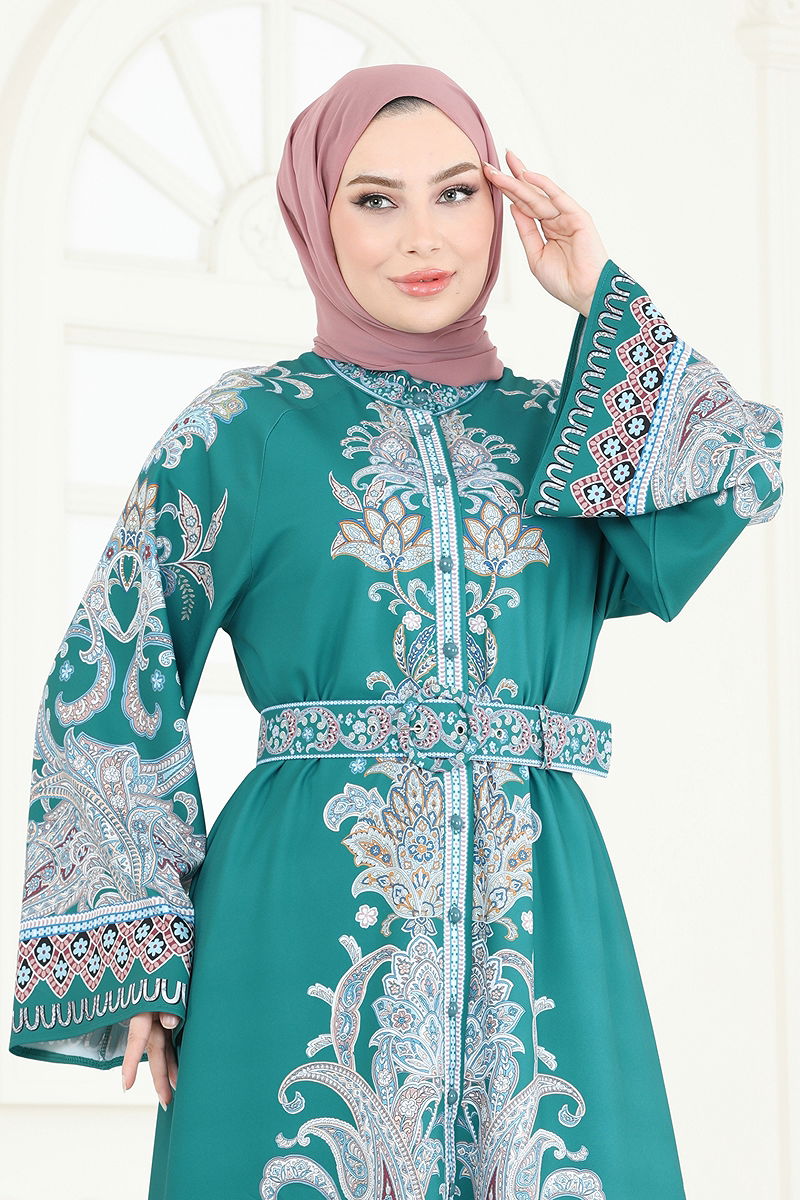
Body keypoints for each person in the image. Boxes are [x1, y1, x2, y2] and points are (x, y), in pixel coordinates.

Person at [7, 62, 782, 1200]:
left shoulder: (562, 434)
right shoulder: (243, 430)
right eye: (374, 200)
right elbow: (115, 665)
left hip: (540, 910)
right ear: (315, 220)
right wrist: (139, 955)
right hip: (297, 911)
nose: (422, 236)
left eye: (456, 193)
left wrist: (599, 294)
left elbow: (731, 475)